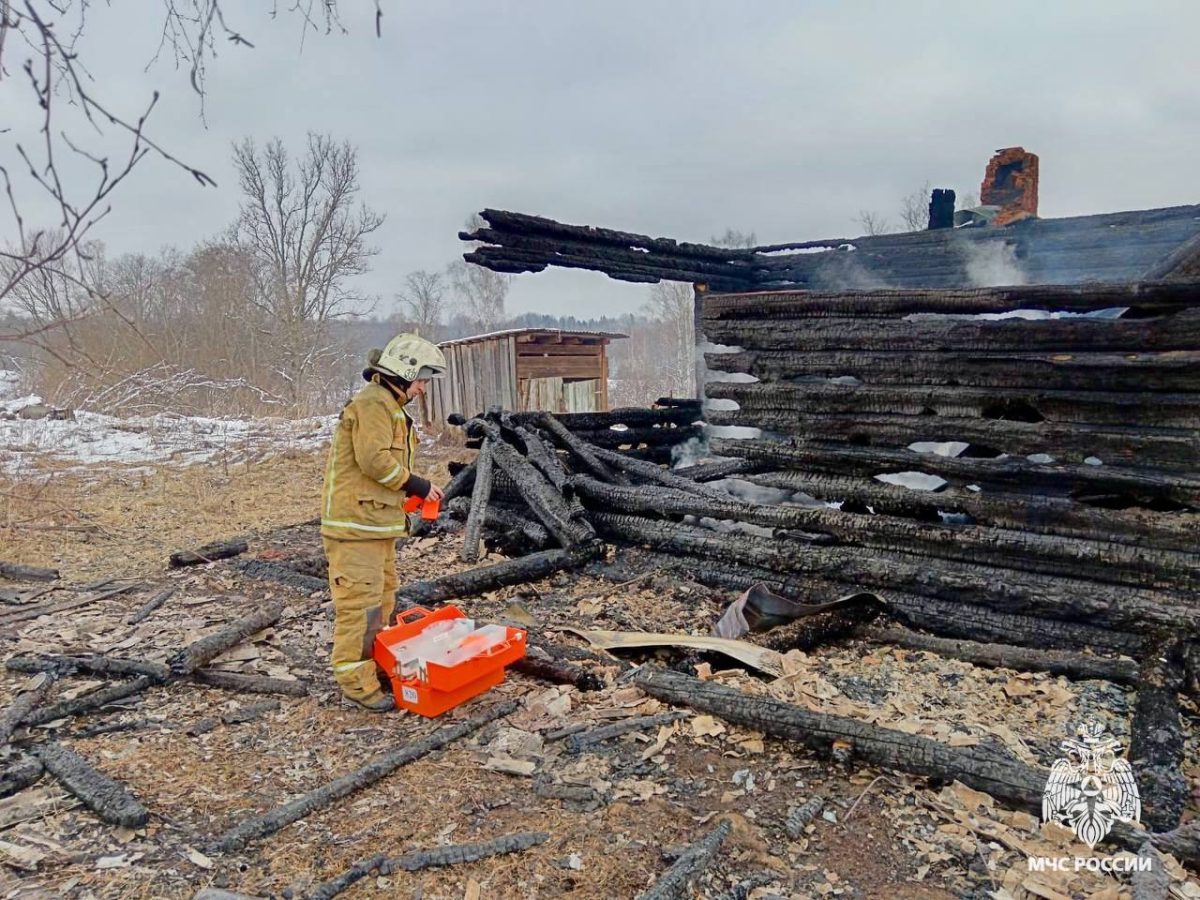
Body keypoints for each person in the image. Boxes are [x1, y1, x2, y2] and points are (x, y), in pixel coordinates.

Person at [320, 333, 447, 711]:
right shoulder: (374, 404)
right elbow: (374, 460)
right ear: (405, 373)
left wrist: (403, 497)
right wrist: (418, 485)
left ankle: (376, 669)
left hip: (375, 527)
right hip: (355, 528)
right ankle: (355, 684)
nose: (423, 389)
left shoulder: (388, 406)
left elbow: (382, 471)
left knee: (381, 603)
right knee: (360, 606)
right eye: (422, 380)